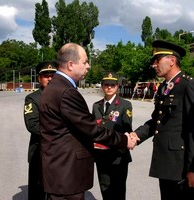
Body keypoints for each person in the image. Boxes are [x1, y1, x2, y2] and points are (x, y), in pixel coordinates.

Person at [39, 43, 138, 200]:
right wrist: (124, 139)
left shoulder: (53, 87)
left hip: (59, 170)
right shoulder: (66, 92)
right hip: (67, 173)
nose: (88, 66)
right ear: (71, 64)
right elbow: (92, 129)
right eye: (85, 62)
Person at [131, 40, 194, 200]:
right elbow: (157, 121)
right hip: (166, 164)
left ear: (172, 60)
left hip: (182, 167)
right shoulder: (164, 87)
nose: (153, 65)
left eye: (157, 60)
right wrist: (136, 136)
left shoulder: (190, 85)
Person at [92, 73, 133, 200]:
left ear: (117, 87)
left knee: (118, 190)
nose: (109, 87)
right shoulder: (96, 106)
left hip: (118, 156)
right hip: (101, 155)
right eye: (106, 85)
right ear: (102, 86)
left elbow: (126, 129)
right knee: (105, 189)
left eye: (112, 85)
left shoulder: (125, 105)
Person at [23, 61, 57, 200]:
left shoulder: (63, 96)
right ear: (39, 78)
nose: (49, 78)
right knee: (38, 191)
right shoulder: (33, 98)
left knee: (56, 191)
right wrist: (58, 134)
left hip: (59, 153)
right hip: (40, 151)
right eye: (45, 75)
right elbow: (32, 125)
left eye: (52, 75)